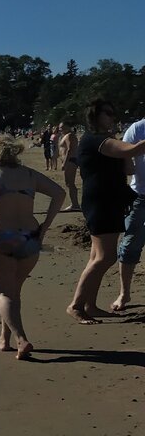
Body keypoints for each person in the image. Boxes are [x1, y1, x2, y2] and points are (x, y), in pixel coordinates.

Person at [0, 134, 65, 359]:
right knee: (13, 291)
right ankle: (5, 339)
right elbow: (59, 193)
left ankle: (21, 340)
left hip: (1, 237)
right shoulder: (29, 175)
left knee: (2, 292)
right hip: (30, 237)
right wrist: (44, 227)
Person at [67, 100, 145, 324]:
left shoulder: (103, 140)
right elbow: (132, 150)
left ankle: (90, 305)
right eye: (108, 113)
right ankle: (75, 305)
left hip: (107, 201)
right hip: (101, 202)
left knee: (96, 255)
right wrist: (128, 151)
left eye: (114, 112)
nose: (113, 117)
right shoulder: (95, 140)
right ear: (95, 116)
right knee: (105, 256)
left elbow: (128, 164)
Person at [112, 114, 145, 311]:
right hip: (140, 196)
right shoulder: (137, 128)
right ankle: (124, 293)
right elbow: (123, 161)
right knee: (130, 245)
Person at [56, 121, 80, 211]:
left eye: (62, 127)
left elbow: (70, 149)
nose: (60, 129)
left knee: (70, 183)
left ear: (68, 126)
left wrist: (64, 163)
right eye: (59, 127)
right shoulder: (67, 135)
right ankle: (74, 204)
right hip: (70, 161)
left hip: (70, 161)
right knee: (69, 183)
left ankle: (75, 204)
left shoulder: (69, 135)